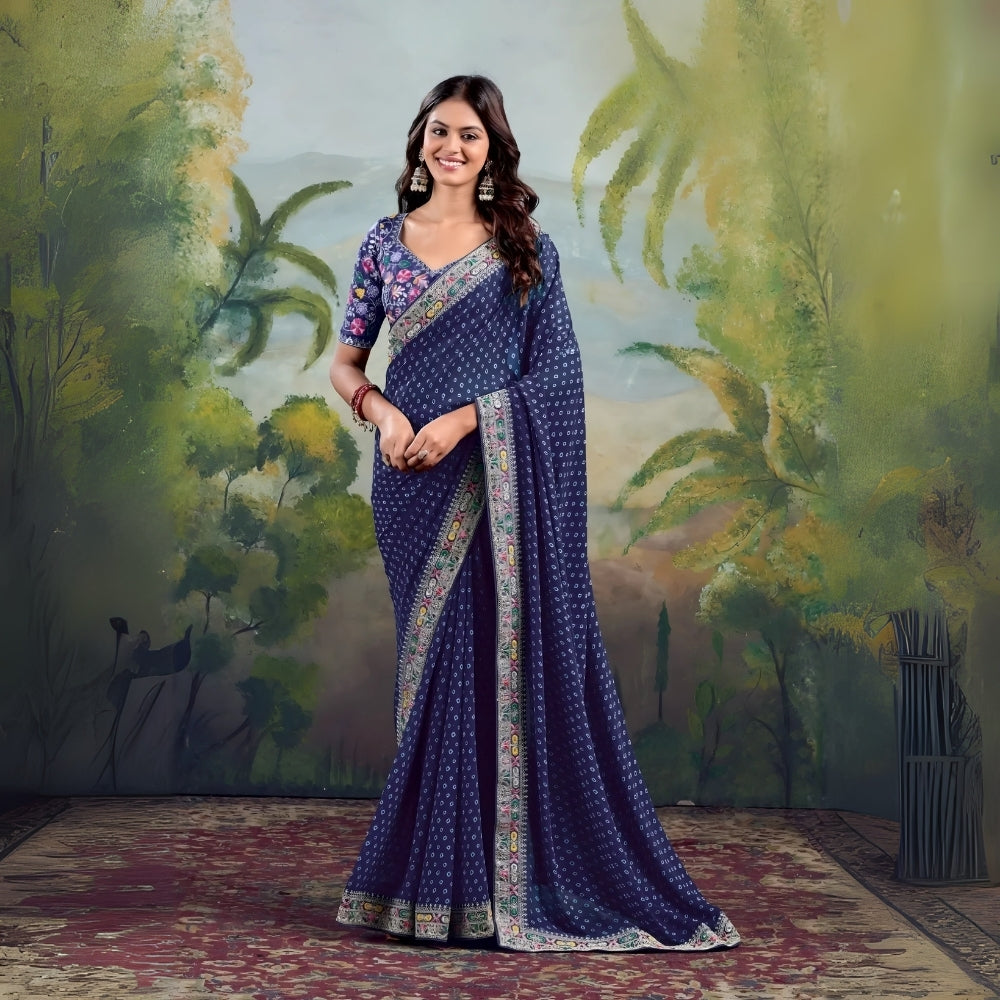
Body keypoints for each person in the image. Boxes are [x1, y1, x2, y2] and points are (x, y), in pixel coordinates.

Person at [329, 74, 740, 953]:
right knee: (435, 669)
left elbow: (554, 379)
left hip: (492, 482)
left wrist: (465, 420)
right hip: (410, 485)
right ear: (419, 143)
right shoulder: (382, 244)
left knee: (485, 667)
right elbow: (347, 362)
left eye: (470, 136)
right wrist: (388, 415)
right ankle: (432, 885)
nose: (452, 147)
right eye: (439, 131)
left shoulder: (527, 252)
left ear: (493, 150)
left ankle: (483, 887)